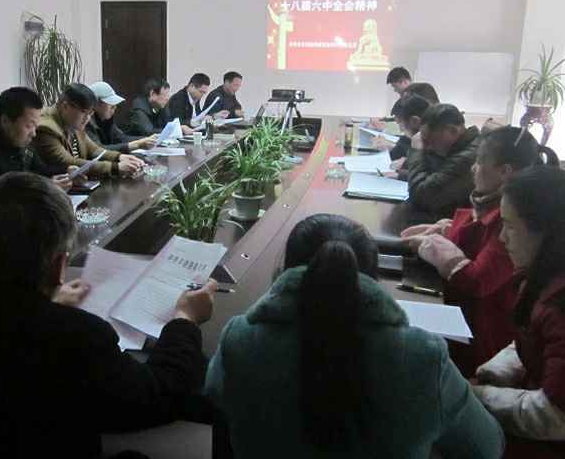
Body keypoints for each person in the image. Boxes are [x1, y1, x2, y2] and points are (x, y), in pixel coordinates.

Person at [0, 171, 218, 458]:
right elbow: (157, 395)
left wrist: (48, 306)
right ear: (59, 266)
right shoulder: (75, 337)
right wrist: (184, 319)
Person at [205, 213, 504, 459]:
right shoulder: (424, 356)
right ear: (373, 278)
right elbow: (487, 448)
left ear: (284, 273)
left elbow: (216, 398)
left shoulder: (240, 340)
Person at [401, 126, 560, 376]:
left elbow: (479, 280)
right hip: (473, 330)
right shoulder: (494, 205)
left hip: (482, 339)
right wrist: (445, 230)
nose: (473, 169)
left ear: (505, 171)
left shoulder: (517, 220)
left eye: (480, 162)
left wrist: (437, 247)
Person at [472, 166, 565, 459]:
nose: (501, 238)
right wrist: (495, 372)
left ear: (547, 233)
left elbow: (554, 415)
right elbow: (532, 335)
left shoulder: (560, 304)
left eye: (510, 226)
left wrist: (477, 397)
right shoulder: (542, 275)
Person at [33, 83, 143, 179]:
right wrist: (115, 167)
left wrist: (119, 157)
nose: (87, 118)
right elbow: (67, 162)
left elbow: (94, 150)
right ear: (65, 106)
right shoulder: (46, 128)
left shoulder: (72, 121)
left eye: (90, 113)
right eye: (84, 112)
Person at [406, 103, 481, 218]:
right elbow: (438, 175)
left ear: (452, 130)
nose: (427, 147)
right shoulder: (461, 147)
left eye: (430, 141)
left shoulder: (468, 157)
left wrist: (416, 151)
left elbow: (421, 197)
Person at [86, 81, 158, 153]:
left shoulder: (106, 120)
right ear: (96, 104)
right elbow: (98, 150)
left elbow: (121, 138)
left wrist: (147, 139)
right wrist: (136, 144)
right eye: (111, 104)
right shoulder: (86, 122)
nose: (115, 107)